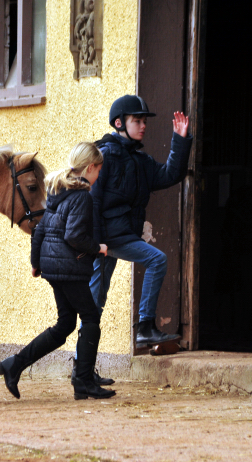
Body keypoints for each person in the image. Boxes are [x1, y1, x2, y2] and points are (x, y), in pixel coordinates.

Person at [0, 142, 116, 400]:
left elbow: (38, 229)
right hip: (69, 268)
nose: (98, 177)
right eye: (98, 171)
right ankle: (84, 382)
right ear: (91, 168)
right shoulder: (82, 196)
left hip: (53, 267)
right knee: (91, 318)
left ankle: (13, 365)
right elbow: (74, 236)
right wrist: (98, 248)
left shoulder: (57, 190)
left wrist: (36, 262)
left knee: (65, 325)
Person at [89, 95, 192, 349]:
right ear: (119, 123)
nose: (143, 125)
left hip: (119, 236)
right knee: (157, 259)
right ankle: (145, 328)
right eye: (137, 120)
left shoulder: (141, 161)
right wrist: (95, 242)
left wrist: (179, 139)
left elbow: (170, 174)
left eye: (144, 121)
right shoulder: (105, 156)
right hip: (108, 237)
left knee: (94, 303)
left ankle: (83, 370)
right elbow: (92, 200)